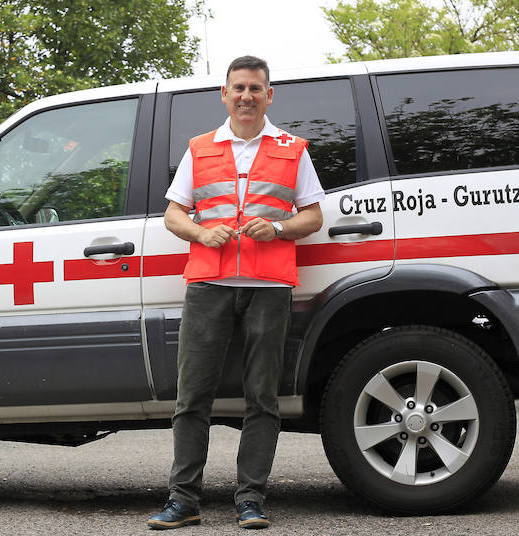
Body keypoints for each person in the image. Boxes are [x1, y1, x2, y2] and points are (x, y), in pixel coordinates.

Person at [147, 56, 324, 530]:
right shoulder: (200, 148)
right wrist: (203, 234)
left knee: (262, 397)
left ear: (269, 95)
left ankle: (251, 500)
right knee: (192, 396)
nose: (247, 96)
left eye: (255, 88)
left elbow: (313, 216)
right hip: (209, 284)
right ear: (224, 94)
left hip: (268, 286)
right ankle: (183, 500)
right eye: (239, 88)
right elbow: (173, 214)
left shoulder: (292, 149)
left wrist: (279, 228)